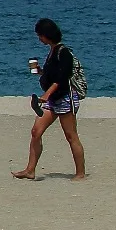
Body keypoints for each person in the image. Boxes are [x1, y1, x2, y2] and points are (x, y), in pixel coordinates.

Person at [13, 17, 87, 181]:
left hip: (65, 98)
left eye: (40, 35)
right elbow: (53, 74)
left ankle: (80, 173)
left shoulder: (64, 52)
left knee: (71, 135)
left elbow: (62, 78)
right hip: (53, 100)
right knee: (36, 132)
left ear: (47, 35)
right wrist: (40, 71)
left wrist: (46, 95)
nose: (39, 38)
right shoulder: (52, 51)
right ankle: (30, 170)